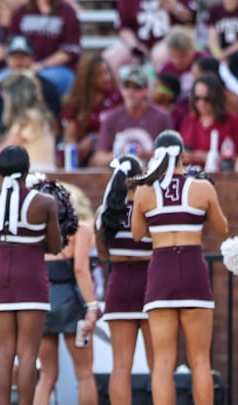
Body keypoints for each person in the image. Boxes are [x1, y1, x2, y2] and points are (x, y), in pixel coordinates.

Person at [129, 130, 228, 405]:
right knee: (199, 360)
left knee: (162, 361)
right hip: (193, 269)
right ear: (183, 156)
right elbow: (222, 228)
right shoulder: (202, 188)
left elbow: (137, 234)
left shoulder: (144, 191)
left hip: (161, 271)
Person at [0, 145, 62, 405]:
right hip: (32, 276)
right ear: (27, 170)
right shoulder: (45, 202)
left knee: (4, 352)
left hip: (1, 274)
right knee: (28, 353)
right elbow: (56, 246)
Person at [94, 154, 154, 405]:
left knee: (120, 365)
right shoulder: (151, 207)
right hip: (151, 283)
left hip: (118, 283)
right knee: (159, 362)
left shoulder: (105, 212)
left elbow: (103, 254)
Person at [34, 183, 98, 405]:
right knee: (85, 373)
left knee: (46, 376)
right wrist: (91, 305)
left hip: (43, 300)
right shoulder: (80, 229)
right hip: (72, 300)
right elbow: (80, 268)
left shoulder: (36, 231)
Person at [90, 66, 173, 167]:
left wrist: (145, 155)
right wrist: (121, 154)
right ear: (121, 89)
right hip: (120, 178)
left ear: (146, 90)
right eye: (127, 86)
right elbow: (98, 158)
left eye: (137, 87)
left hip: (152, 178)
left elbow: (172, 155)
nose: (131, 92)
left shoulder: (161, 117)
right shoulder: (112, 118)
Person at [61, 54, 123, 167]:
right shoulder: (76, 101)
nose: (107, 77)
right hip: (82, 152)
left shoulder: (117, 98)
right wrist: (74, 152)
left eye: (107, 72)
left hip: (109, 150)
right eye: (101, 74)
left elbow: (121, 130)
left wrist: (94, 139)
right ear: (88, 78)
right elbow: (69, 135)